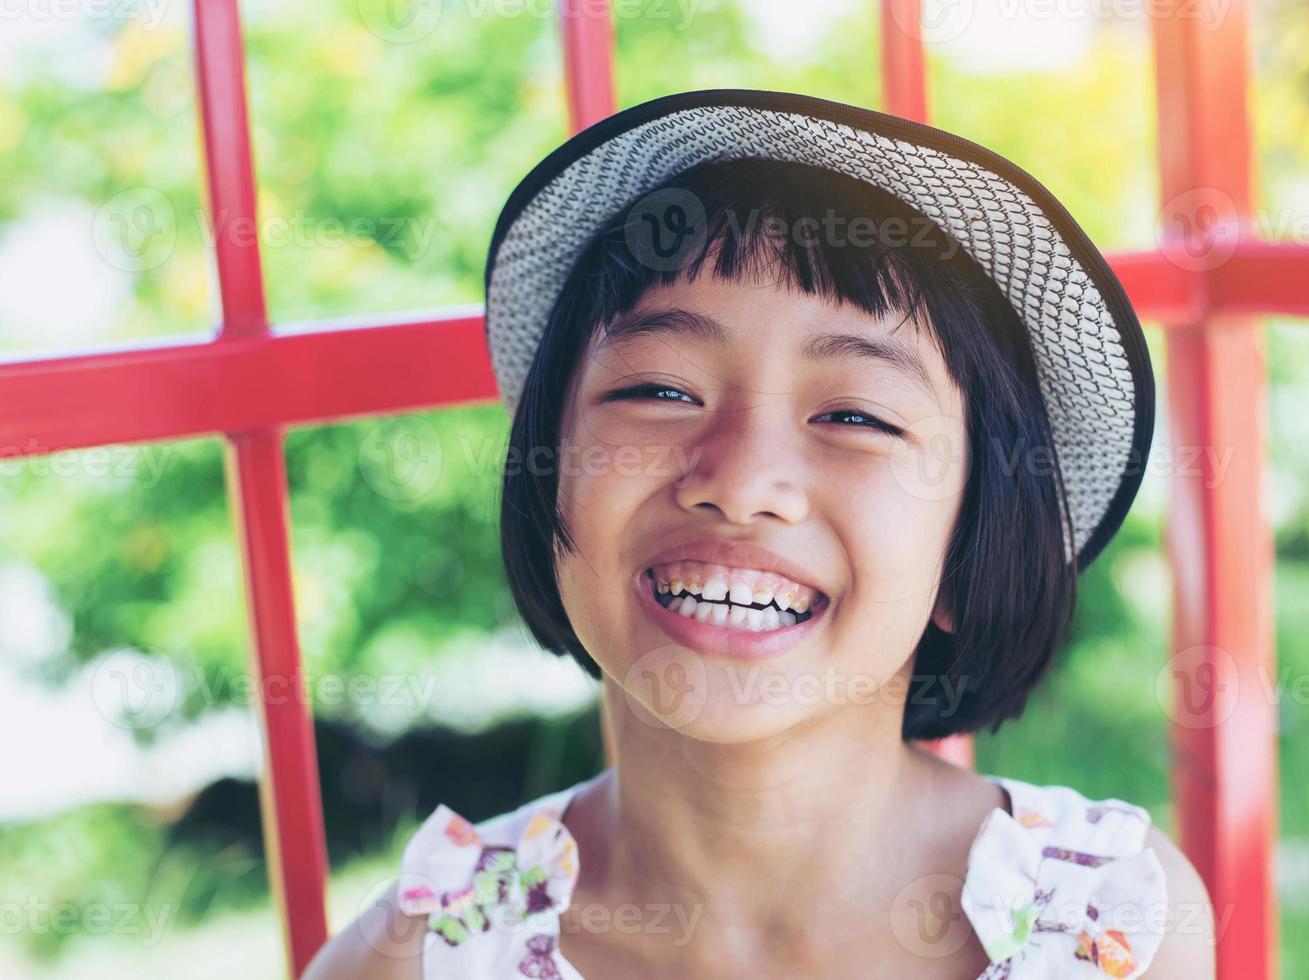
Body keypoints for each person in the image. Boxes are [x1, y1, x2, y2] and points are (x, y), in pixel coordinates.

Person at [305, 89, 1215, 980]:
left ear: (972, 542)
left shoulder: (1111, 925)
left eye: (856, 414)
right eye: (659, 390)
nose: (741, 483)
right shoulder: (422, 955)